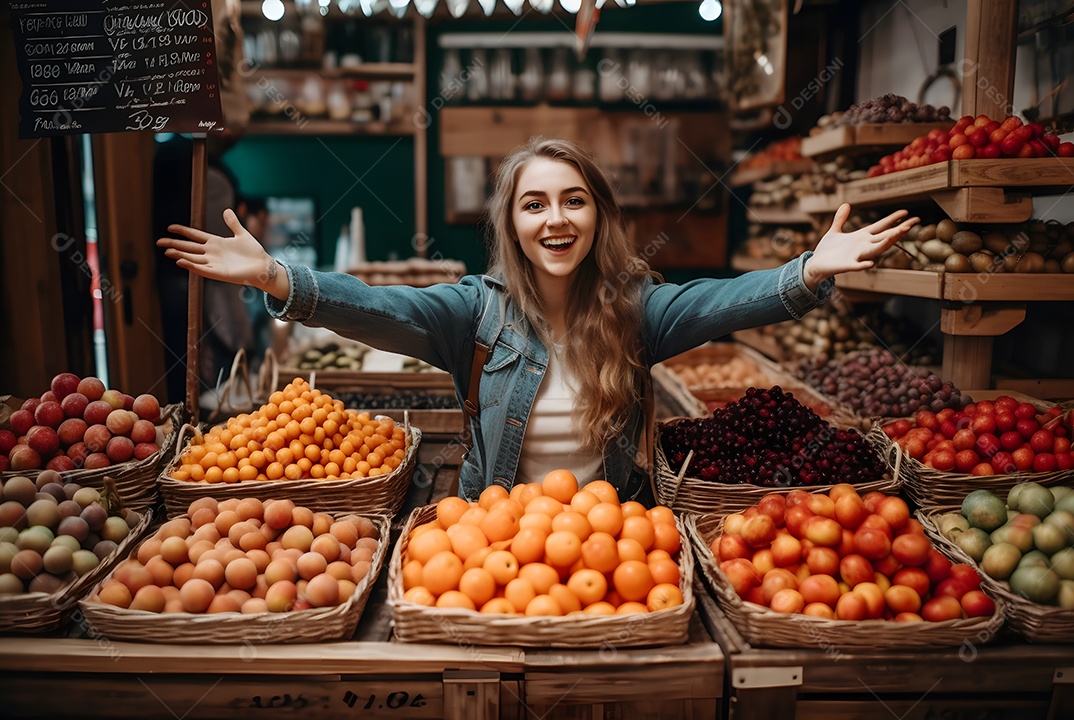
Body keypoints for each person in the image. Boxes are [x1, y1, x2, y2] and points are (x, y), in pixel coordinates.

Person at [158, 138, 917, 502]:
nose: (556, 219)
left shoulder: (636, 312)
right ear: (513, 224)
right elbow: (385, 310)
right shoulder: (473, 313)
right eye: (534, 203)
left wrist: (811, 272)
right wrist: (277, 278)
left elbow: (720, 300)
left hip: (613, 538)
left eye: (573, 199)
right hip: (497, 534)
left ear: (596, 215)